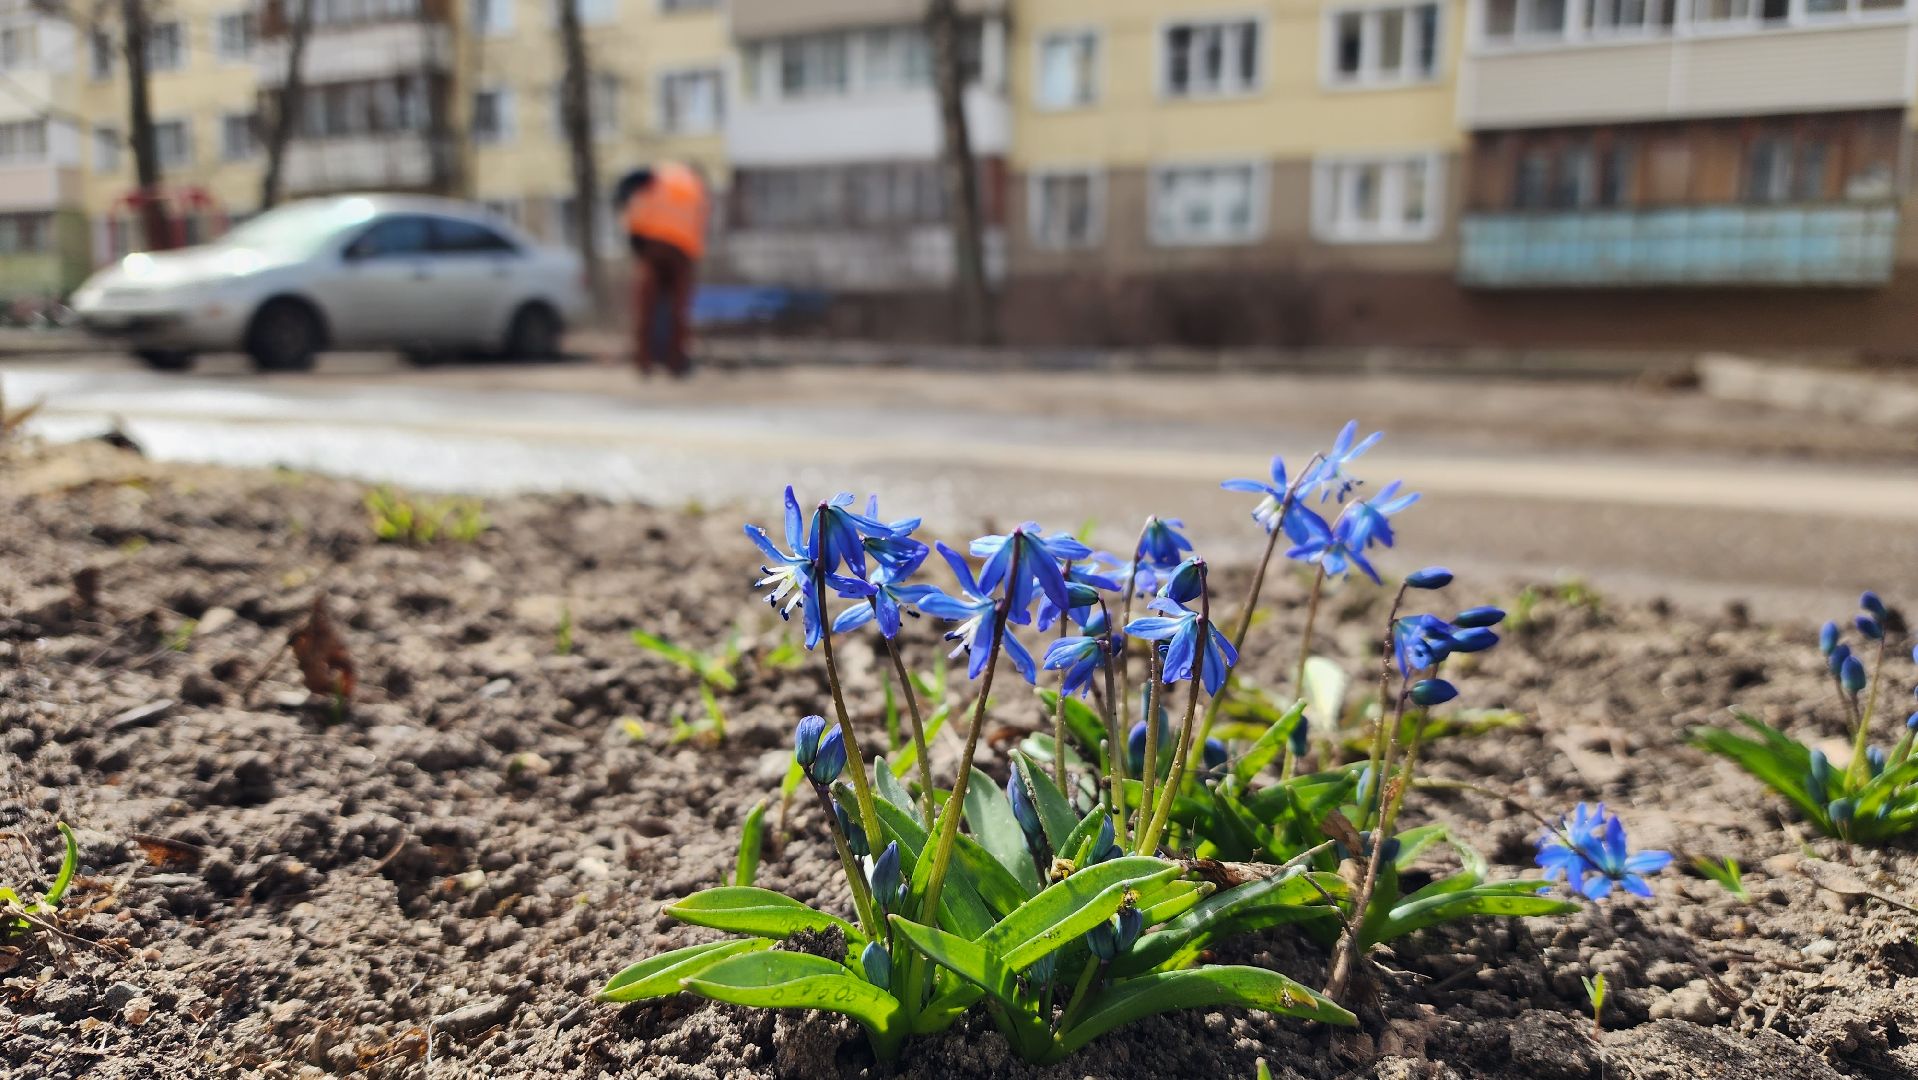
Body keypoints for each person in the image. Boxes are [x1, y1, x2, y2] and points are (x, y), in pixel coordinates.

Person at [613, 163, 710, 378]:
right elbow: (700, 225)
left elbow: (630, 187)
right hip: (682, 251)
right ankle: (675, 362)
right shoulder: (694, 187)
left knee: (646, 306)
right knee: (678, 310)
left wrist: (633, 237)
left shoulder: (661, 176)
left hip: (652, 246)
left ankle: (644, 361)